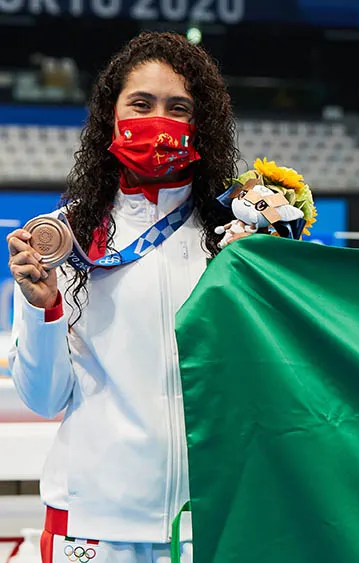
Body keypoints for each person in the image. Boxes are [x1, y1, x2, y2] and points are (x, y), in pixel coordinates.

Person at [6, 32, 238, 563]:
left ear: (200, 125)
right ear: (110, 115)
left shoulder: (232, 242)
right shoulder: (64, 239)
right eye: (141, 103)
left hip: (206, 521)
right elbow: (43, 399)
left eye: (178, 108)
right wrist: (44, 307)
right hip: (93, 524)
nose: (159, 120)